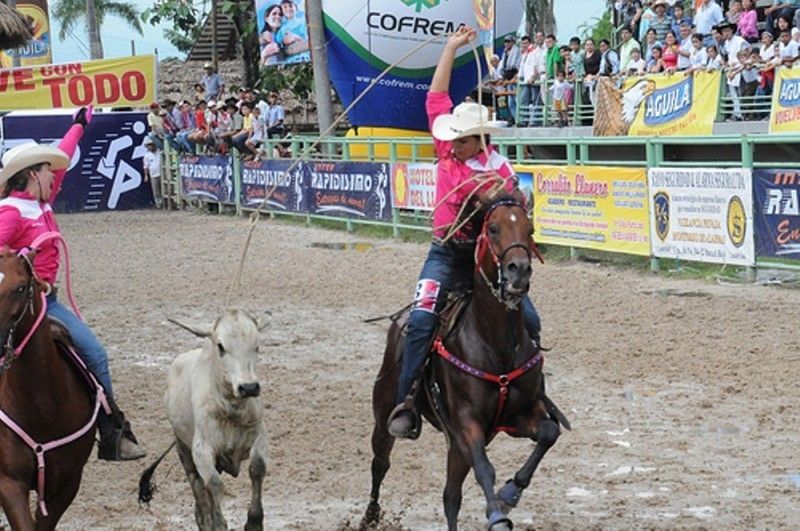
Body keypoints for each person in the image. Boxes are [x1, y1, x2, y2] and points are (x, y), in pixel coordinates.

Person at [386, 26, 541, 439]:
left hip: (484, 260)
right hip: (445, 252)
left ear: (481, 140)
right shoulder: (448, 153)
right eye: (452, 138)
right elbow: (435, 97)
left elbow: (518, 206)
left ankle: (528, 394)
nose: (453, 144)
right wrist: (451, 47)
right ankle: (407, 401)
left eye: (463, 139)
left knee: (530, 319)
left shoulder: (501, 169)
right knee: (420, 321)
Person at [0, 107, 146, 461]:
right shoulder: (10, 211)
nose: (54, 177)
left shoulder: (41, 202)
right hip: (21, 303)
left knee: (92, 353)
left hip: (45, 302)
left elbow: (63, 159)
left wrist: (78, 126)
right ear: (32, 175)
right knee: (93, 353)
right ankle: (112, 431)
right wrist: (27, 276)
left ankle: (112, 431)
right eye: (47, 172)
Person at [142, 136, 162, 207]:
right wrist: (146, 175)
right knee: (156, 190)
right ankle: (158, 203)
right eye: (148, 145)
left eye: (150, 145)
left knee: (163, 188)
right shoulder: (147, 155)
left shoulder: (159, 151)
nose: (149, 147)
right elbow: (145, 166)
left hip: (162, 173)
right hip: (153, 174)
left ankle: (165, 202)